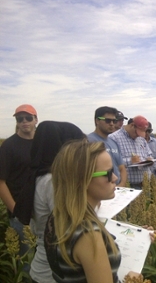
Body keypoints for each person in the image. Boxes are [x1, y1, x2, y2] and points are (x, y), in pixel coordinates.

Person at [44, 140, 143, 282]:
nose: (115, 178)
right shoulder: (88, 234)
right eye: (108, 173)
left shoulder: (58, 217)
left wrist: (138, 236)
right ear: (83, 180)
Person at [28, 121, 85, 283]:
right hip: (54, 273)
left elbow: (35, 227)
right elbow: (74, 229)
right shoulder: (54, 182)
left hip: (44, 268)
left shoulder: (39, 176)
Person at [0, 104, 38, 268]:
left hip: (42, 211)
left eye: (28, 118)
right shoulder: (9, 146)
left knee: (43, 257)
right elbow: (1, 182)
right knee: (26, 261)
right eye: (19, 119)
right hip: (21, 214)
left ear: (36, 119)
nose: (24, 122)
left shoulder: (41, 144)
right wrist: (16, 211)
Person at [109, 115, 153, 189]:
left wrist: (149, 160)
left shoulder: (141, 139)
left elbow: (149, 154)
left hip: (144, 184)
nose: (138, 136)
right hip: (127, 186)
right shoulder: (114, 138)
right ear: (132, 125)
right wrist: (130, 161)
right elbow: (111, 162)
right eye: (137, 133)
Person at [87, 106, 127, 186]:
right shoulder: (88, 142)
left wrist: (121, 186)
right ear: (97, 121)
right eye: (108, 121)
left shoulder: (114, 143)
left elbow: (122, 168)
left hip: (116, 190)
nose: (112, 124)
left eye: (114, 121)